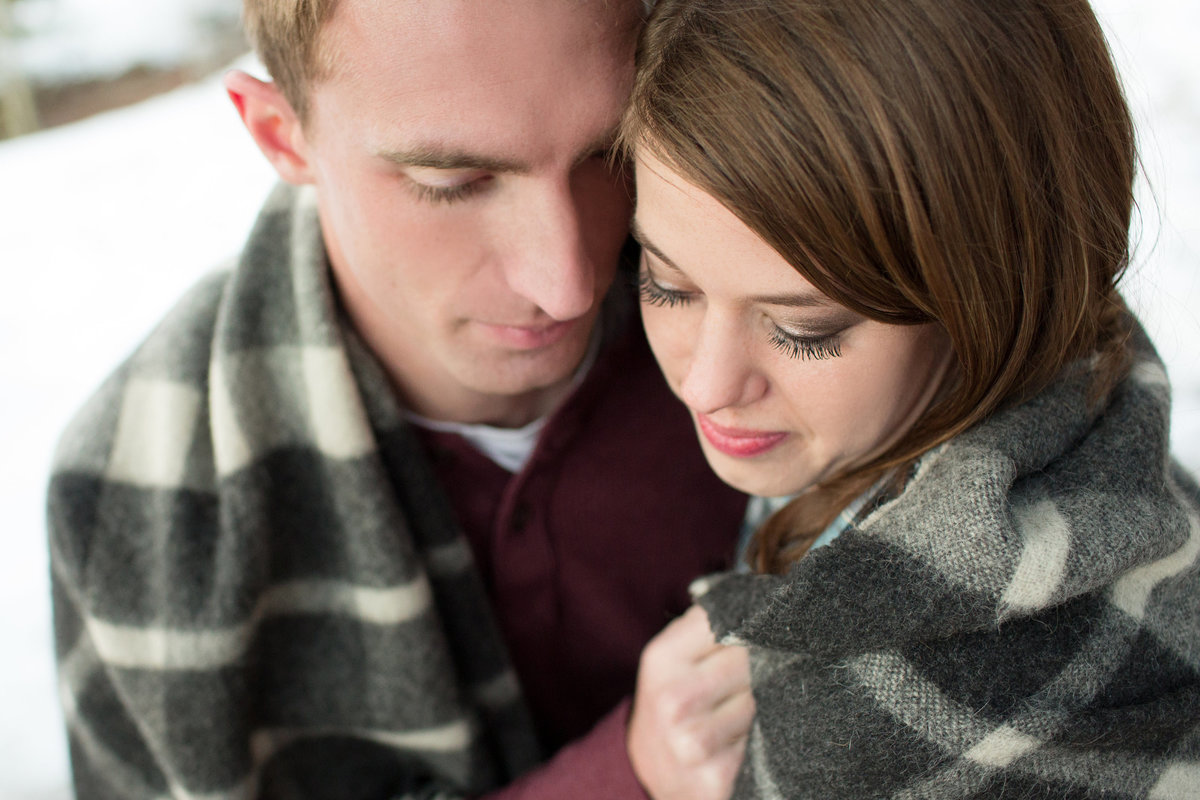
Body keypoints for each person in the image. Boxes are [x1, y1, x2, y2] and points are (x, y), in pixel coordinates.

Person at [45, 2, 751, 798]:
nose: (569, 282)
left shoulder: (789, 311)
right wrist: (624, 776)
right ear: (283, 135)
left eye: (607, 152)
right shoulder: (135, 493)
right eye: (454, 182)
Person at [620, 0, 1200, 797]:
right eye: (665, 281)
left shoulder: (868, 732)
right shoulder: (1103, 431)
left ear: (988, 293)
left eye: (804, 327)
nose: (707, 383)